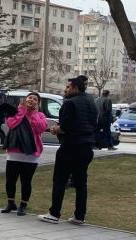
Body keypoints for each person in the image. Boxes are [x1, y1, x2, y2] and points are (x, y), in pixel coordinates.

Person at [39, 75, 98, 225]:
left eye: (67, 87)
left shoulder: (70, 103)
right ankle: (79, 216)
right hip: (86, 146)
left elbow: (64, 127)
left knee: (59, 180)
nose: (65, 90)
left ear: (75, 88)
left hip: (70, 146)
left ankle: (54, 213)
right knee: (81, 182)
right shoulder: (91, 101)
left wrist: (54, 129)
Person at [1, 92, 49, 216]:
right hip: (15, 152)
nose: (32, 100)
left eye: (35, 99)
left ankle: (23, 205)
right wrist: (22, 110)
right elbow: (11, 124)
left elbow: (40, 128)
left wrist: (32, 113)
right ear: (24, 100)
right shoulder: (16, 112)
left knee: (26, 181)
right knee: (10, 180)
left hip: (31, 153)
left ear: (38, 103)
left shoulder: (40, 115)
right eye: (30, 98)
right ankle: (10, 203)